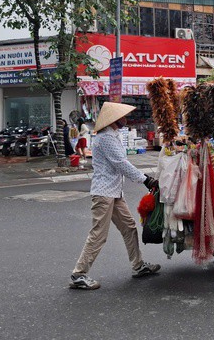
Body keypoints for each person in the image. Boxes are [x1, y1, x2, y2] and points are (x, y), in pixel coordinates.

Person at [70, 102, 160, 290]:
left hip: (114, 192)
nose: (126, 119)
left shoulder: (113, 136)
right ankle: (79, 274)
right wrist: (146, 180)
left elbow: (121, 164)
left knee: (129, 227)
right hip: (104, 193)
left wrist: (145, 179)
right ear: (114, 119)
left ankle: (138, 265)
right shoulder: (106, 138)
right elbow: (121, 164)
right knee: (98, 235)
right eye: (123, 116)